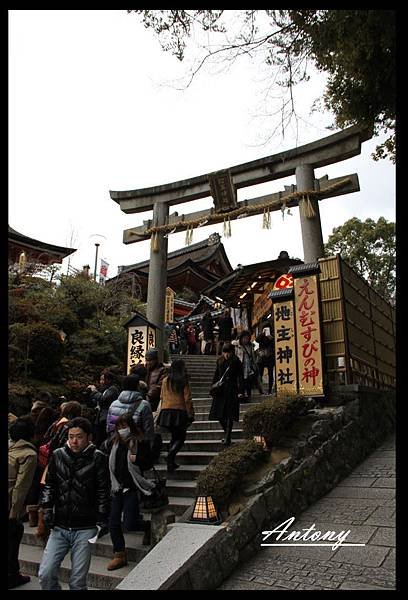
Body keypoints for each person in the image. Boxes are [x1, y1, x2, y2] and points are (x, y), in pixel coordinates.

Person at [38, 417, 110, 591]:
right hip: (60, 524)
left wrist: (102, 517)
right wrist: (47, 508)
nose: (74, 441)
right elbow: (50, 484)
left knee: (77, 581)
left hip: (85, 526)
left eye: (79, 436)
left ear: (89, 437)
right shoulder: (58, 455)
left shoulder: (98, 457)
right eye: (71, 436)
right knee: (45, 573)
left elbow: (103, 490)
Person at [101, 414, 155, 571]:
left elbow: (148, 463)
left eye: (124, 426)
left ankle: (146, 527)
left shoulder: (139, 442)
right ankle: (119, 554)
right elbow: (109, 463)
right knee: (113, 522)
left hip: (133, 486)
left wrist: (136, 459)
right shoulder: (113, 443)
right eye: (119, 427)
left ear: (131, 426)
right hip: (117, 486)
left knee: (130, 523)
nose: (122, 430)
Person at [36, 401, 83, 539]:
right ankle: (44, 527)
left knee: (47, 494)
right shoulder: (69, 425)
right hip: (60, 465)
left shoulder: (57, 422)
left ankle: (41, 526)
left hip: (50, 464)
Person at [8, 416, 38, 589]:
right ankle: (12, 575)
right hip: (10, 504)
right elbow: (21, 486)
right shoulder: (28, 454)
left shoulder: (10, 450)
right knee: (13, 537)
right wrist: (14, 513)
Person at [156, 358, 195, 472]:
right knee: (181, 437)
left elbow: (162, 397)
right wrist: (190, 413)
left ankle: (171, 462)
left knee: (174, 436)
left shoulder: (165, 380)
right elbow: (187, 398)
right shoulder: (183, 380)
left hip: (166, 410)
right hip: (179, 410)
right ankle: (171, 455)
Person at [209, 342, 243, 447]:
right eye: (225, 352)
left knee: (229, 415)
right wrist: (213, 387)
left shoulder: (236, 361)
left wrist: (241, 391)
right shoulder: (220, 361)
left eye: (228, 352)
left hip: (231, 390)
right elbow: (216, 375)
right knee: (219, 415)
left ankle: (227, 437)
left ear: (232, 352)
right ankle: (227, 434)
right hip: (220, 391)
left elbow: (240, 377)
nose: (226, 354)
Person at [106, 374, 154, 443]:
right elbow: (148, 429)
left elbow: (109, 427)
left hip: (117, 443)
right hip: (136, 445)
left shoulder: (113, 404)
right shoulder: (142, 405)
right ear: (138, 386)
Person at [88, 370, 120, 447]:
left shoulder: (113, 389)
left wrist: (94, 391)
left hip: (106, 418)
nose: (101, 382)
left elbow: (103, 399)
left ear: (108, 380)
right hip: (100, 417)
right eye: (100, 379)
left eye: (103, 379)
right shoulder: (106, 389)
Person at [232, 330, 258, 400]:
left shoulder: (250, 346)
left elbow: (253, 356)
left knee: (248, 381)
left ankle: (248, 395)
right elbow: (235, 355)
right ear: (241, 338)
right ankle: (241, 394)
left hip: (249, 366)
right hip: (240, 365)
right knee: (241, 380)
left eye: (247, 338)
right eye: (244, 338)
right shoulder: (237, 345)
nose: (245, 340)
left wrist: (254, 365)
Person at [256, 323, 276, 395]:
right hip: (262, 357)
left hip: (270, 357)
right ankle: (261, 390)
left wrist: (272, 338)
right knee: (260, 374)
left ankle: (270, 390)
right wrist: (262, 334)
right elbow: (256, 340)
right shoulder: (261, 336)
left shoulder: (272, 335)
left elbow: (275, 344)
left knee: (270, 374)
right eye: (265, 328)